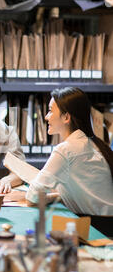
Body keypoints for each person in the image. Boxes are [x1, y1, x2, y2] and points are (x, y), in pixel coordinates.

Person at [11, 87, 113, 218]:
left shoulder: (66, 149)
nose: (46, 117)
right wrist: (56, 196)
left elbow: (32, 198)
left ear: (66, 117)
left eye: (49, 111)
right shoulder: (94, 143)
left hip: (98, 228)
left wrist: (49, 197)